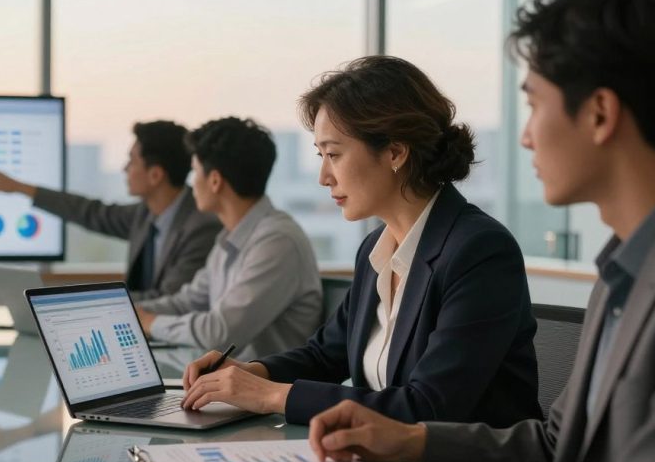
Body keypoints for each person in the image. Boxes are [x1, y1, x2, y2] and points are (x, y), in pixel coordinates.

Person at [306, 0, 655, 462]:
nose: (525, 136)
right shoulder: (621, 276)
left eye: (534, 104)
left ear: (599, 113)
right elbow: (554, 447)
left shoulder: (489, 248)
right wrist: (409, 439)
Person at [179, 56, 542, 429]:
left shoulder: (479, 250)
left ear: (395, 153)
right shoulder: (375, 249)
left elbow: (429, 407)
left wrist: (269, 396)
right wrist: (253, 371)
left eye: (333, 154)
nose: (324, 177)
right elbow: (326, 355)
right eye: (321, 156)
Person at [135, 116, 323, 360]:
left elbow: (219, 333)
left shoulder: (277, 241)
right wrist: (131, 314)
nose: (191, 185)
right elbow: (189, 301)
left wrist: (151, 322)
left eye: (194, 172)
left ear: (214, 181)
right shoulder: (230, 237)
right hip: (228, 386)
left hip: (265, 390)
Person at [0, 120, 221, 301]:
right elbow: (89, 212)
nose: (124, 168)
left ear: (155, 175)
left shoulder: (200, 227)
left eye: (132, 161)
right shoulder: (145, 215)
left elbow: (170, 300)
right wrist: (18, 187)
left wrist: (84, 303)